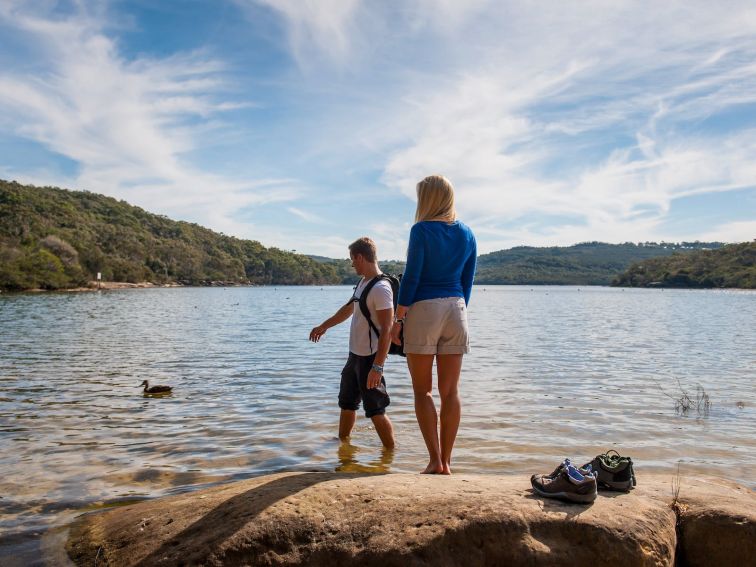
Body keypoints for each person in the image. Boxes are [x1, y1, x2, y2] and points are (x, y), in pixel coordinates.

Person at [391, 175, 476, 474]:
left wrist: (398, 319)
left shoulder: (421, 230)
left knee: (422, 391)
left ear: (426, 199)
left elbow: (412, 277)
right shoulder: (467, 233)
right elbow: (468, 283)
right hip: (456, 307)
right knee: (451, 392)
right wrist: (457, 309)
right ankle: (448, 464)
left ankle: (434, 460)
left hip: (424, 309)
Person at [309, 237, 396, 449]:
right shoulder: (363, 282)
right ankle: (343, 447)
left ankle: (391, 453)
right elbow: (348, 309)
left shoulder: (381, 288)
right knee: (347, 404)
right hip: (354, 355)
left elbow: (387, 330)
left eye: (352, 260)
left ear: (360, 257)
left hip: (370, 359)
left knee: (375, 410)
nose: (352, 264)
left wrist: (378, 366)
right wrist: (324, 326)